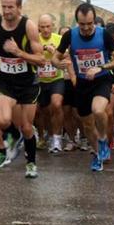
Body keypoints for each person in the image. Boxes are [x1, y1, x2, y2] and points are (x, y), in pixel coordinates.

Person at [0, 0, 45, 178]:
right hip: (5, 81)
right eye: (3, 7)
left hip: (28, 83)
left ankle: (31, 163)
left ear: (19, 7)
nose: (6, 11)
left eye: (10, 7)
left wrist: (19, 53)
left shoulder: (29, 26)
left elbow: (40, 60)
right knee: (1, 120)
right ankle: (13, 137)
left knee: (26, 126)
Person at [54, 3, 114, 171]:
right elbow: (55, 58)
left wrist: (101, 67)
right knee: (86, 124)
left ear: (94, 21)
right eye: (82, 24)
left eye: (89, 23)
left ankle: (102, 140)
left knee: (99, 110)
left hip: (101, 80)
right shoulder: (70, 36)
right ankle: (96, 153)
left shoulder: (104, 34)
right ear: (76, 21)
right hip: (81, 83)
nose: (86, 28)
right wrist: (60, 64)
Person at [36, 13, 67, 154]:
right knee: (42, 111)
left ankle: (56, 138)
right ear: (38, 27)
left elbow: (68, 53)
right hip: (40, 80)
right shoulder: (35, 39)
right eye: (42, 27)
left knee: (56, 104)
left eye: (48, 26)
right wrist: (41, 50)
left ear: (53, 26)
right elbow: (28, 53)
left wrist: (56, 52)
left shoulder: (59, 38)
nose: (46, 30)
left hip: (56, 78)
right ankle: (43, 136)